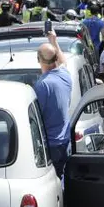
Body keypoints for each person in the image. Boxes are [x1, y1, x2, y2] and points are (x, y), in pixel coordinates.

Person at [33, 31, 73, 177]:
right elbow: (63, 62)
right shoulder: (65, 76)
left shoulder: (42, 85)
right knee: (61, 179)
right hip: (65, 142)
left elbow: (36, 118)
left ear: (38, 59)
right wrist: (53, 40)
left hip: (50, 145)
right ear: (56, 58)